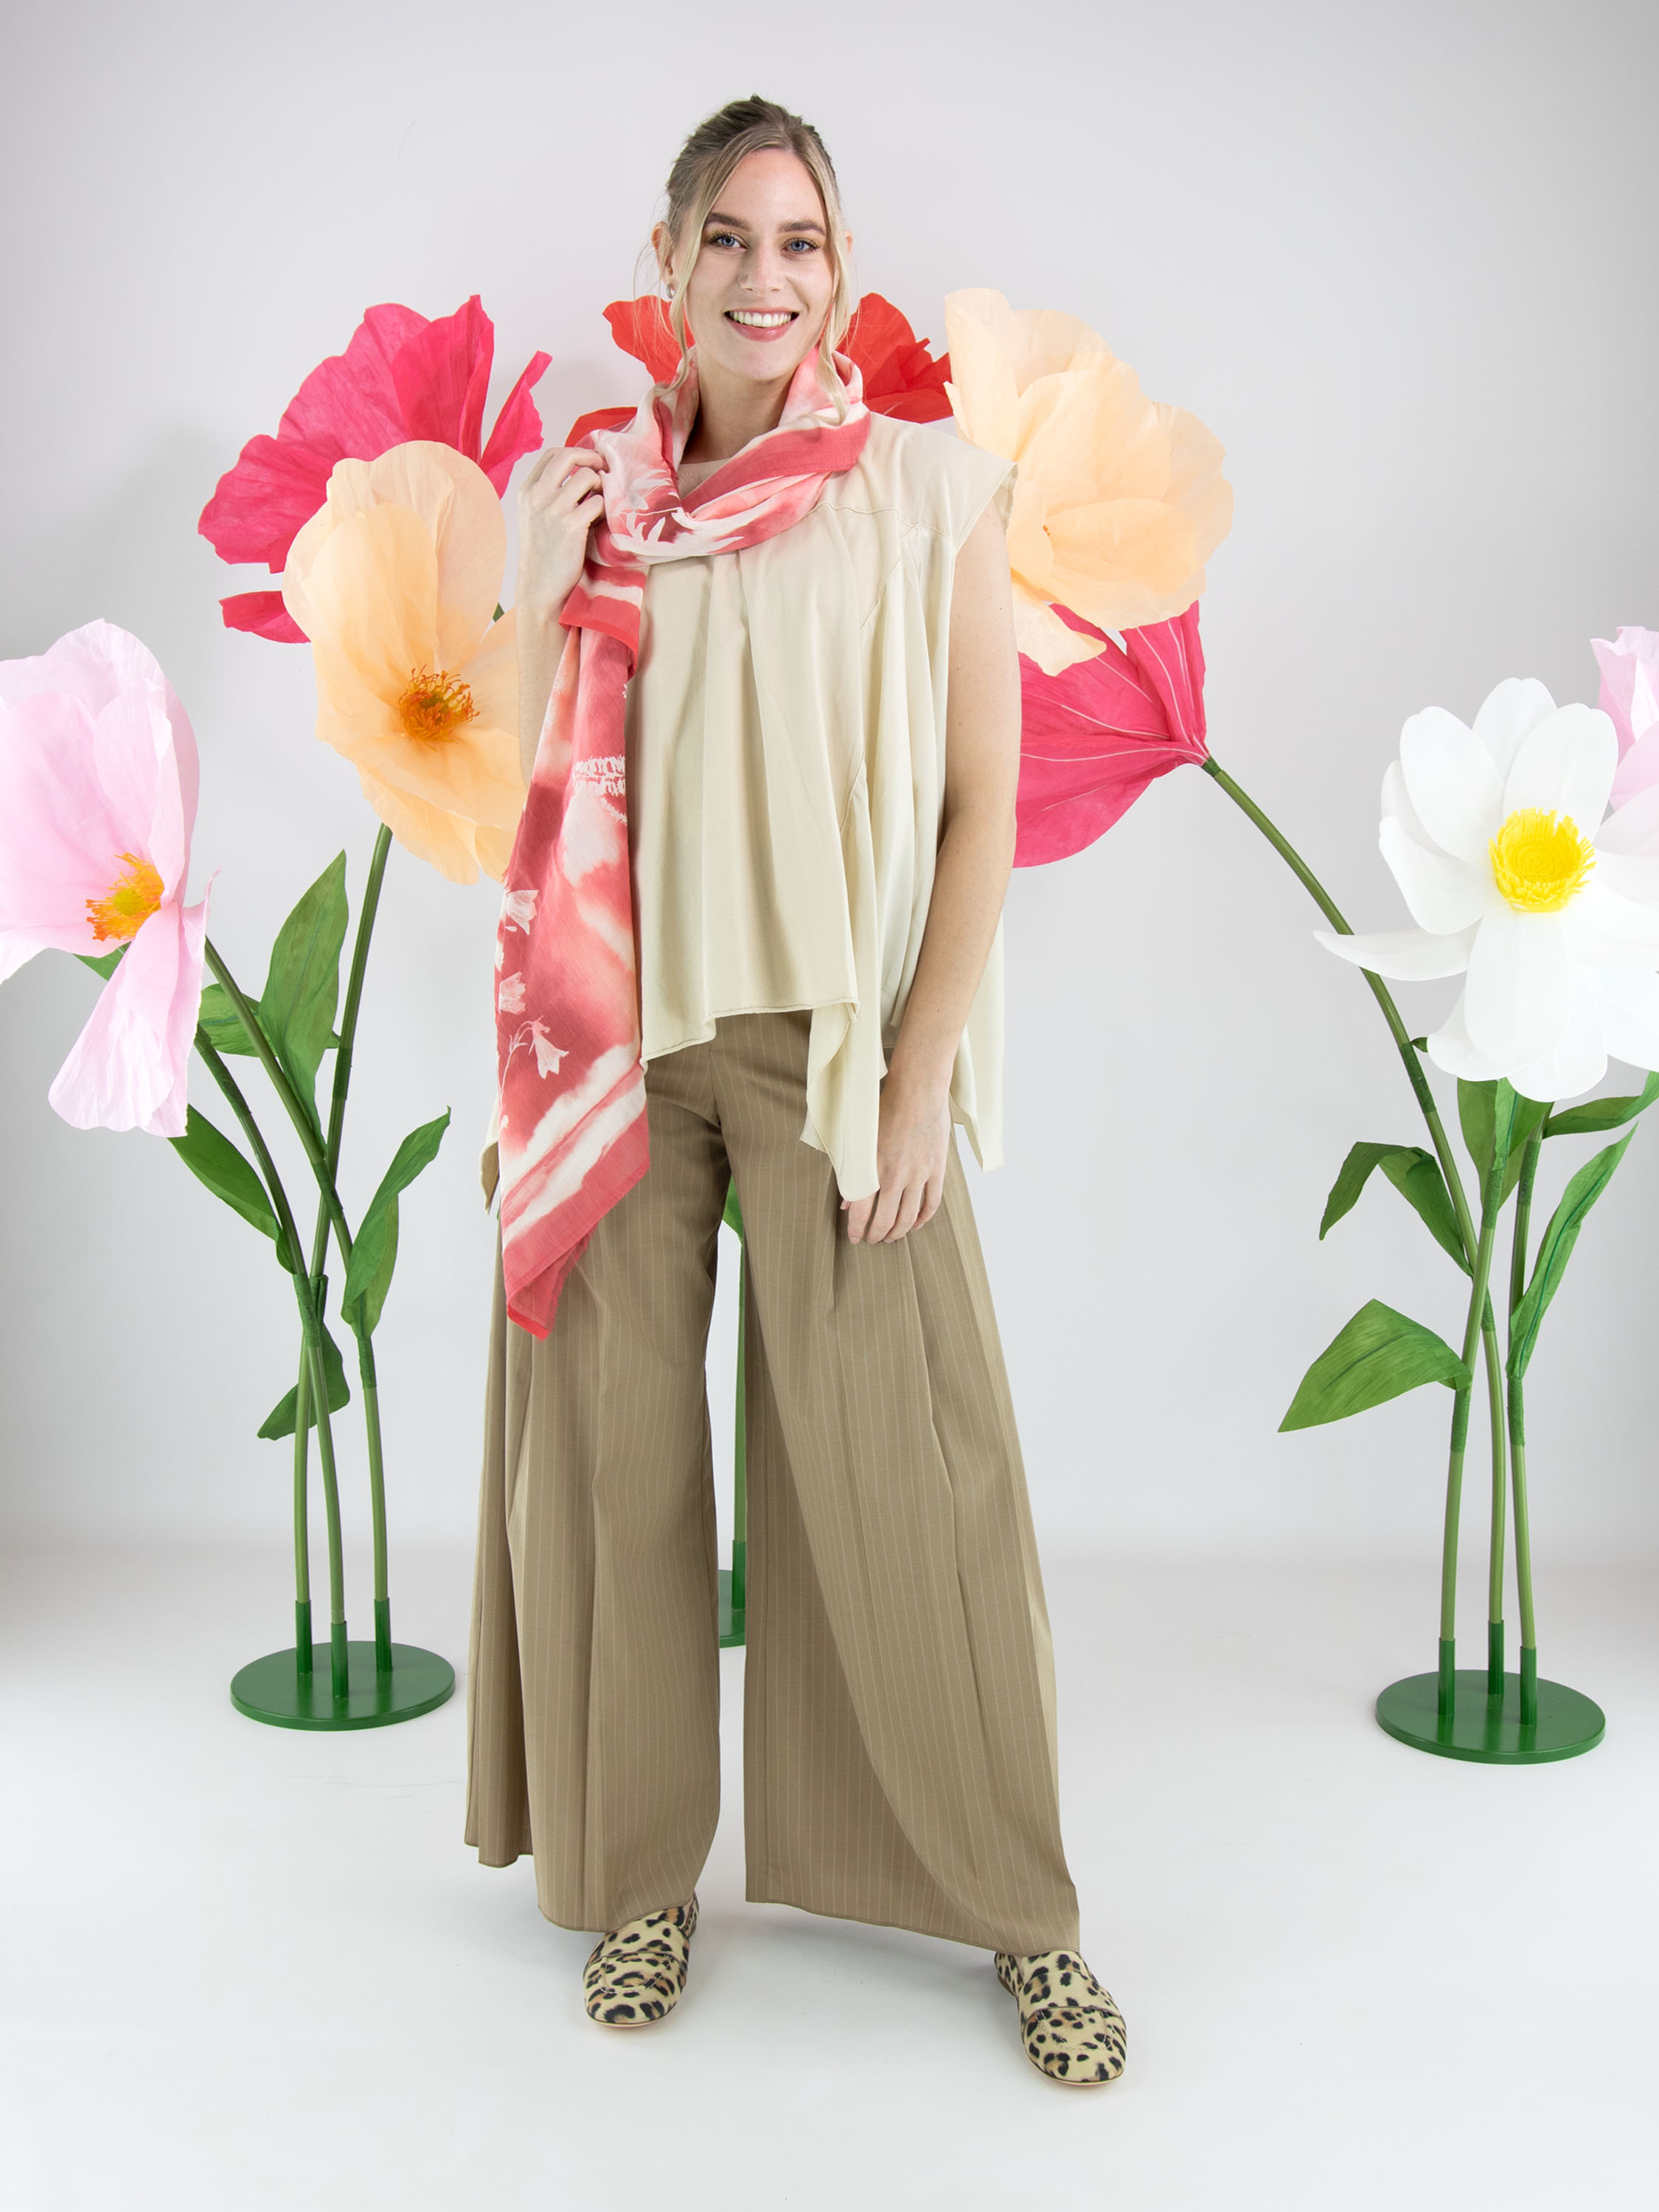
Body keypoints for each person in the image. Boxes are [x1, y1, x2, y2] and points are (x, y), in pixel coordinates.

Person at [465, 94, 1126, 2089]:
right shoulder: (586, 496)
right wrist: (546, 578)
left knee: (906, 1466)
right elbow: (533, 794)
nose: (768, 278)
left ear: (839, 270)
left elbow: (984, 806)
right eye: (732, 239)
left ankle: (1021, 1915)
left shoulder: (926, 490)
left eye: (803, 241)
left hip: (832, 1049)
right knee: (615, 1471)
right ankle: (640, 1880)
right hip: (617, 1048)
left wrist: (919, 1080)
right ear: (668, 260)